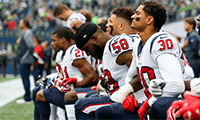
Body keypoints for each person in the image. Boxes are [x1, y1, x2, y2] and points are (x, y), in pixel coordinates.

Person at [109, 1, 185, 119]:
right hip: (147, 102)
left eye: (137, 13)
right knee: (105, 110)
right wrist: (129, 95)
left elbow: (176, 85)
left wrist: (149, 103)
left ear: (149, 20)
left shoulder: (161, 42)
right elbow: (130, 76)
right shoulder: (139, 43)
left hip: (164, 106)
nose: (132, 16)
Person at [74, 20, 135, 119]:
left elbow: (138, 70)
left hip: (130, 100)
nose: (88, 54)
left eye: (86, 49)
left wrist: (127, 92)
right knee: (90, 97)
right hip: (117, 96)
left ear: (94, 38)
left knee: (82, 106)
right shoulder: (105, 51)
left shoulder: (115, 44)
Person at [34, 27, 97, 120]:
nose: (52, 43)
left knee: (40, 95)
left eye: (54, 40)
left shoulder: (74, 52)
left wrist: (74, 86)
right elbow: (63, 75)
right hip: (67, 91)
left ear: (62, 40)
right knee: (37, 91)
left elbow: (92, 77)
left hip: (77, 93)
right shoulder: (61, 53)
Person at [166, 14, 200, 120]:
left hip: (193, 63)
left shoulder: (193, 36)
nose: (198, 18)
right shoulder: (190, 35)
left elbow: (196, 52)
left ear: (190, 25)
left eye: (186, 24)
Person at [16, 18, 35, 104]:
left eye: (20, 22)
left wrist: (27, 56)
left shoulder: (27, 32)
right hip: (25, 58)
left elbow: (31, 46)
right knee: (25, 78)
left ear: (24, 24)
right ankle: (27, 96)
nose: (19, 24)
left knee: (25, 78)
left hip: (25, 59)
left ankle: (27, 98)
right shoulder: (26, 32)